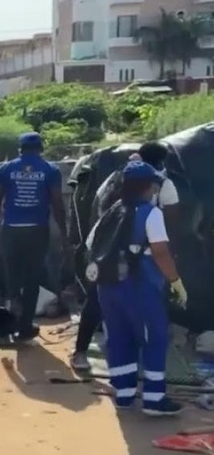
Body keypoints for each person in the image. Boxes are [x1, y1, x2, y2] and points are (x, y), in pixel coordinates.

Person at [87, 159, 187, 416]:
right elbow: (161, 252)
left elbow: (90, 245)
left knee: (119, 339)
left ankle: (124, 394)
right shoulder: (150, 213)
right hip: (139, 288)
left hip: (107, 288)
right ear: (147, 186)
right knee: (154, 339)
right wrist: (175, 281)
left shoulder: (111, 212)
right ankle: (154, 400)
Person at [70, 142, 180, 370]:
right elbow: (171, 219)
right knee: (145, 299)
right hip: (137, 254)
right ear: (159, 162)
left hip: (102, 246)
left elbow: (98, 208)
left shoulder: (117, 177)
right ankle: (142, 357)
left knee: (97, 299)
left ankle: (81, 353)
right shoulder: (162, 184)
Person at [0, 131, 67, 342]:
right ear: (41, 149)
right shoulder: (51, 170)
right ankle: (25, 326)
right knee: (32, 277)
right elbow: (57, 204)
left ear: (20, 149)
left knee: (12, 275)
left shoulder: (7, 168)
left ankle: (13, 311)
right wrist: (64, 231)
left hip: (11, 229)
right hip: (37, 230)